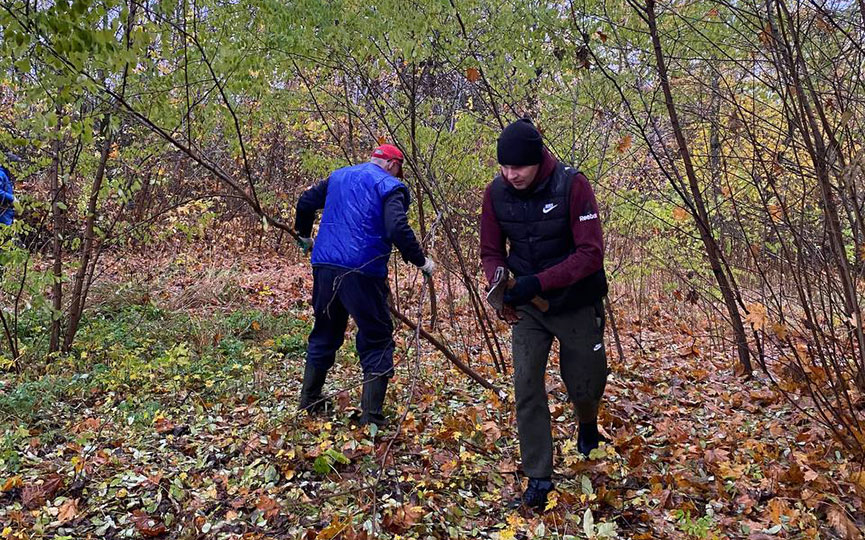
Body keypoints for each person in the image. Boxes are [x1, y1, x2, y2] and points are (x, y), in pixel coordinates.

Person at [480, 119, 609, 509]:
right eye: (504, 167)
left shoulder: (573, 185)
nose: (510, 174)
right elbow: (491, 252)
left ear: (538, 160)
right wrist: (500, 287)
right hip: (527, 308)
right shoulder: (496, 193)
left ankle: (587, 423)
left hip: (576, 301)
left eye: (517, 167)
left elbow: (591, 253)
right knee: (527, 385)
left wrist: (539, 281)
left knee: (585, 383)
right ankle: (539, 476)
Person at [294, 143, 435, 426]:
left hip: (324, 267)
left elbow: (306, 202)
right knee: (377, 337)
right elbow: (397, 227)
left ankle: (309, 401)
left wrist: (305, 236)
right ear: (394, 165)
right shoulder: (390, 186)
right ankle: (371, 418)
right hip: (363, 271)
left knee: (325, 331)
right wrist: (420, 261)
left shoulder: (338, 177)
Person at [0, 158, 15, 227]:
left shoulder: (6, 175)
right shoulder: (1, 174)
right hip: (2, 217)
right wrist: (12, 198)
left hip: (6, 215)